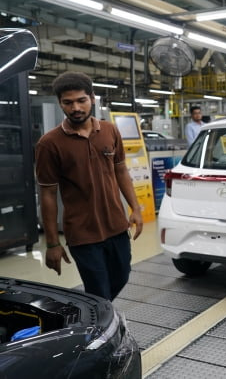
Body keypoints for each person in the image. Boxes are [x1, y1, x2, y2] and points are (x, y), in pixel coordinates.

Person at [35, 71, 143, 301]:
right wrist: (53, 243)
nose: (75, 107)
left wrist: (136, 208)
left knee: (122, 276)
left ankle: (97, 317)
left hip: (116, 224)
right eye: (68, 102)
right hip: (82, 232)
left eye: (81, 100)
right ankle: (100, 330)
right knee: (98, 290)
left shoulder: (109, 130)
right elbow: (48, 193)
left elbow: (121, 170)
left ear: (92, 98)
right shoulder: (49, 143)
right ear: (60, 103)